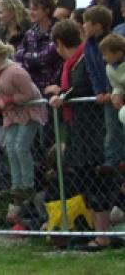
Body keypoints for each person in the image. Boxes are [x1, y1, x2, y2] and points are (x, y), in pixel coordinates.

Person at [44, 20, 117, 251]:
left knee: (98, 183)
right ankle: (98, 234)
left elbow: (83, 86)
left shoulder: (84, 60)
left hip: (92, 133)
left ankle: (103, 237)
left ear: (58, 43)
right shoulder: (73, 64)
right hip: (80, 132)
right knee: (89, 183)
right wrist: (62, 92)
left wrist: (63, 95)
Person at [0, 37, 47, 224]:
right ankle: (16, 184)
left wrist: (8, 100)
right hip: (11, 116)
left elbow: (30, 94)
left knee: (21, 146)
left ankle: (28, 183)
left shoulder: (16, 72)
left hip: (29, 112)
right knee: (10, 148)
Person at [82, 6, 124, 172]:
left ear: (98, 25)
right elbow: (92, 70)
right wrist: (99, 91)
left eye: (87, 22)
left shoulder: (112, 43)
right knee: (111, 129)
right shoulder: (89, 45)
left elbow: (115, 71)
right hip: (107, 94)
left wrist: (112, 91)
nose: (83, 26)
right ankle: (112, 160)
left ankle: (119, 159)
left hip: (115, 92)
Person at [14, 0, 62, 94]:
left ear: (47, 11)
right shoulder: (29, 33)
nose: (31, 13)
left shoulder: (58, 30)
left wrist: (26, 57)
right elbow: (17, 55)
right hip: (34, 87)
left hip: (54, 86)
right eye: (30, 9)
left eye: (35, 9)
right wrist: (30, 58)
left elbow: (44, 58)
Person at [98, 34, 125, 150]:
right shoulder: (109, 68)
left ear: (118, 53)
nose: (104, 58)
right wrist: (116, 94)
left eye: (106, 54)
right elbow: (117, 85)